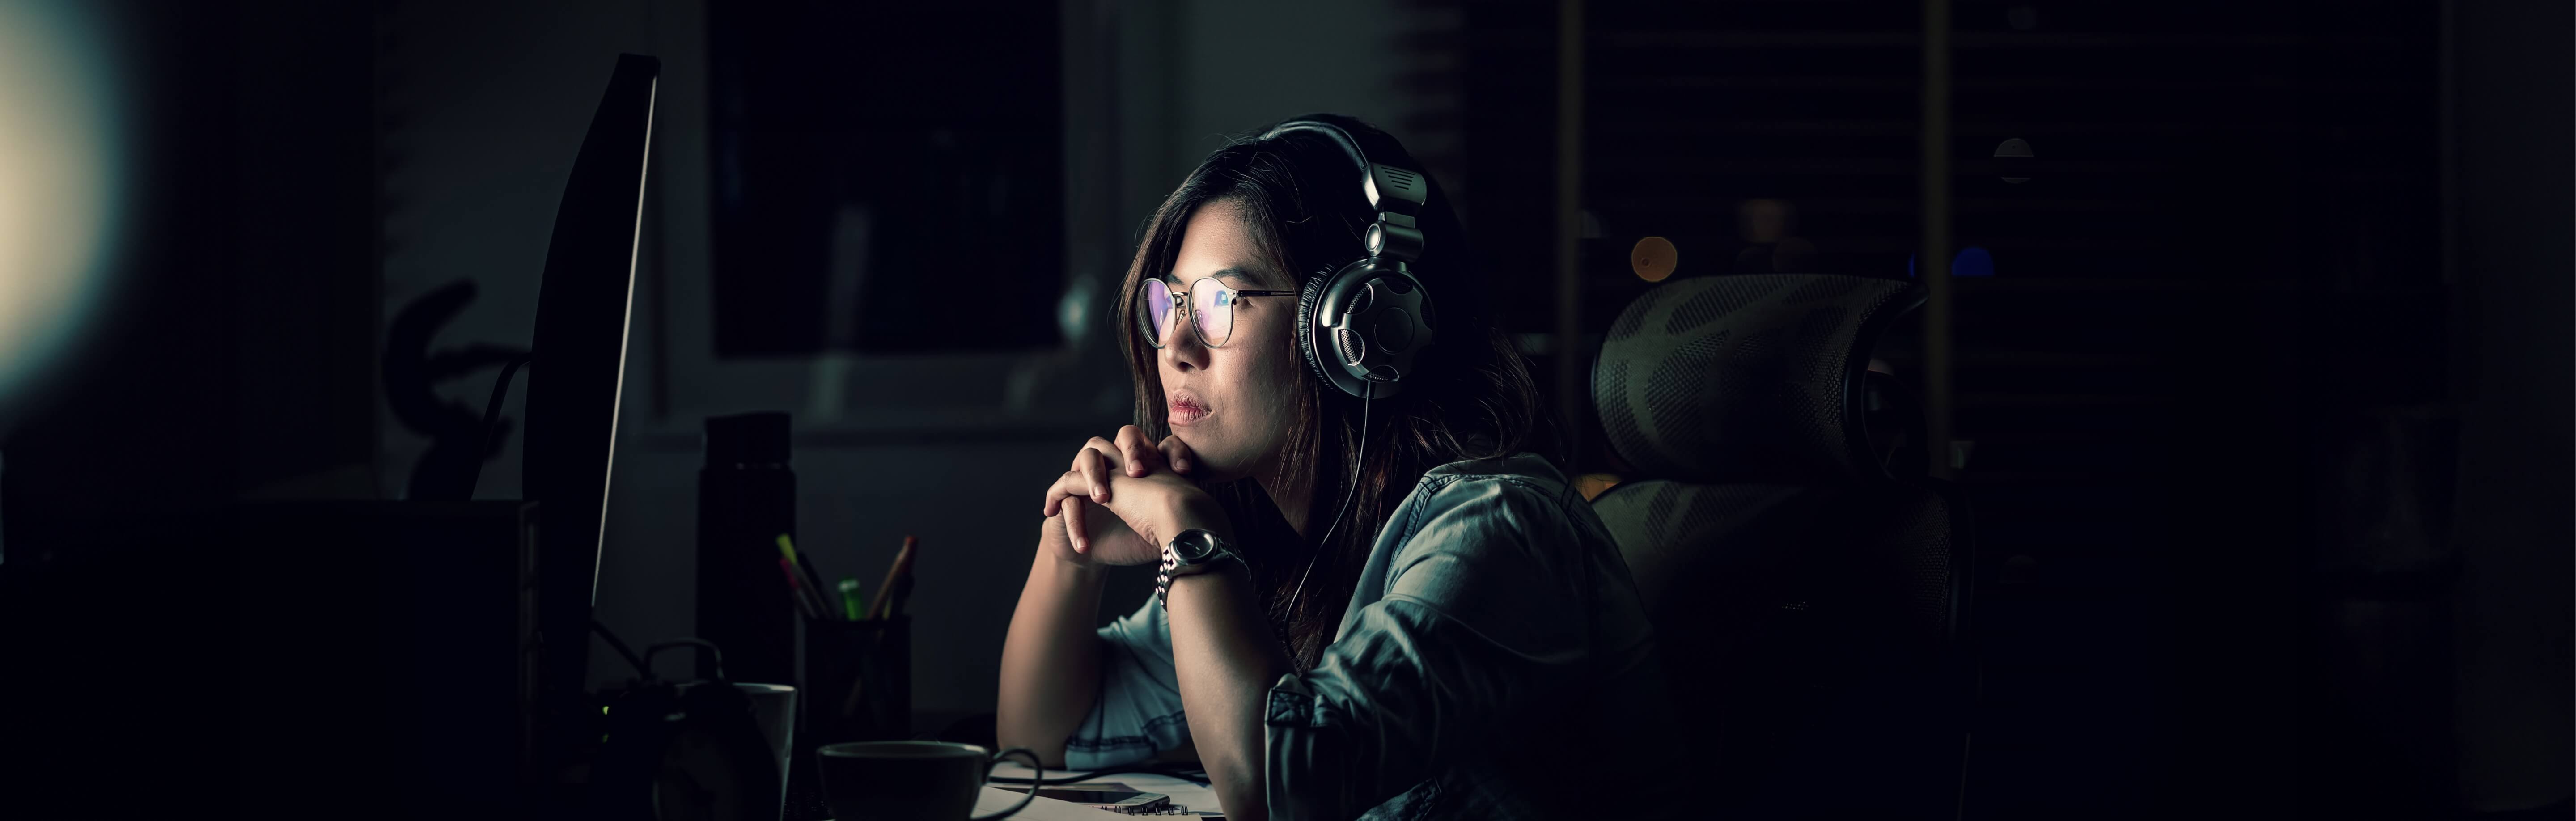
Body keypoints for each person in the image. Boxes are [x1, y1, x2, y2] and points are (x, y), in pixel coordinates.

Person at [996, 114, 1673, 820]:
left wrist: (1190, 536)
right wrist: (1071, 552)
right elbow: (1038, 740)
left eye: (1222, 302)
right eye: (1172, 303)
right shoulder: (1281, 553)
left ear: (1360, 329)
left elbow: (1279, 789)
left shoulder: (1499, 532)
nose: (1175, 346)